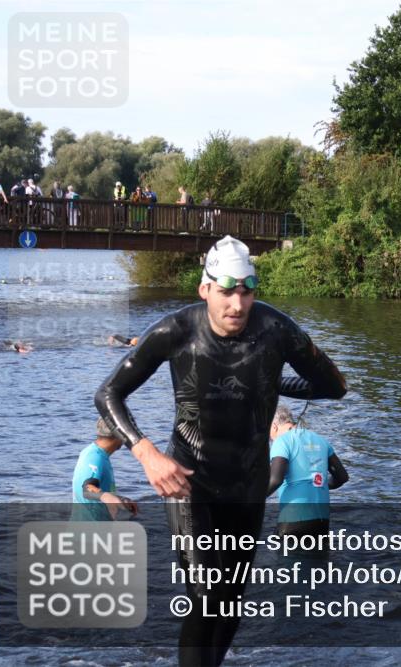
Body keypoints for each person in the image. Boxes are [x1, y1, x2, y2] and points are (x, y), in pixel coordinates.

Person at [94, 234, 346, 666]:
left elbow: (334, 386)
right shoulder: (176, 330)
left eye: (247, 292)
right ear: (205, 289)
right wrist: (146, 453)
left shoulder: (276, 330)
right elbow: (109, 394)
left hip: (247, 483)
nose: (237, 304)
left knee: (232, 598)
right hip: (190, 479)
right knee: (206, 591)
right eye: (227, 291)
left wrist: (271, 384)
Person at [267, 405, 348, 538]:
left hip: (293, 520)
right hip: (321, 521)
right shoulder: (320, 440)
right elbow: (342, 477)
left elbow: (275, 480)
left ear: (274, 426)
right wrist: (319, 484)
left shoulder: (282, 441)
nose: (270, 439)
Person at [72, 417, 138, 521]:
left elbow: (97, 491)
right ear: (119, 435)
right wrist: (107, 497)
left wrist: (121, 500)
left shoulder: (96, 454)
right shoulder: (94, 457)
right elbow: (86, 489)